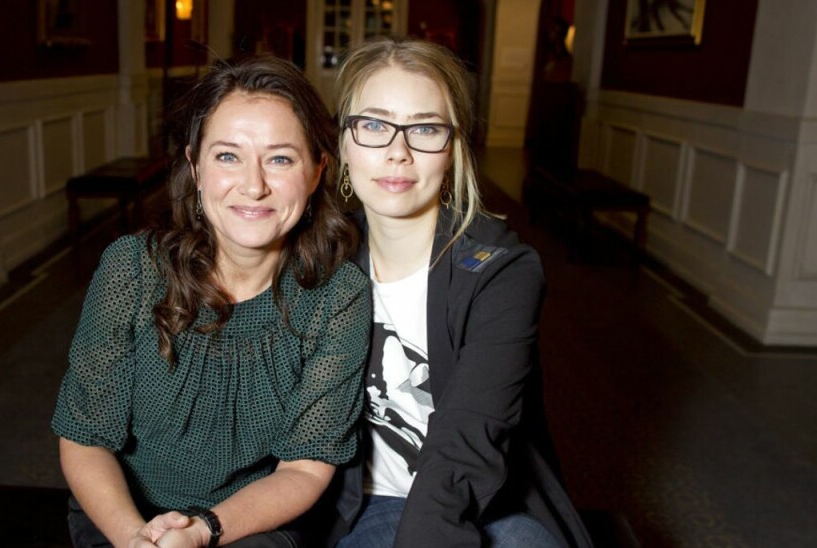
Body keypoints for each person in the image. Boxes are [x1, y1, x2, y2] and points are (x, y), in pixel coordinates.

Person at [51, 55, 371, 548]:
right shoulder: (131, 268)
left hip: (253, 520)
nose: (253, 184)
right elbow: (85, 436)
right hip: (124, 512)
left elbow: (305, 468)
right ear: (195, 167)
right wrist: (137, 538)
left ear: (315, 172)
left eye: (280, 158)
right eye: (227, 156)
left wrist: (203, 531)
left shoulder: (337, 296)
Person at [320, 36, 593, 547]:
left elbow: (467, 439)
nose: (397, 153)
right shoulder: (319, 259)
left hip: (485, 498)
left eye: (425, 128)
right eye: (374, 125)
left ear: (454, 149)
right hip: (364, 502)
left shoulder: (502, 272)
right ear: (344, 142)